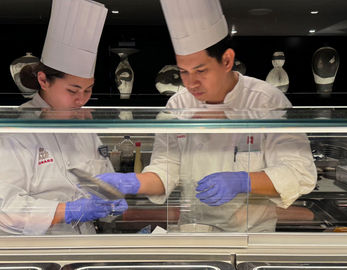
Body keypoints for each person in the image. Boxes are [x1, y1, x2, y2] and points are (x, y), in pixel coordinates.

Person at [97, 0, 317, 232]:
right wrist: (131, 182)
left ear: (227, 60)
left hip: (250, 237)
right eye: (184, 72)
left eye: (201, 71)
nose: (191, 83)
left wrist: (243, 181)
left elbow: (300, 173)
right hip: (193, 232)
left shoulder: (267, 101)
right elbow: (166, 169)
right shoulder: (178, 104)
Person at [0, 0, 126, 235]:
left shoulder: (83, 126)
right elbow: (3, 210)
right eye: (73, 90)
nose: (82, 100)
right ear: (43, 80)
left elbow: (100, 179)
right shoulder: (9, 132)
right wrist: (68, 210)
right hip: (29, 253)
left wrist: (110, 195)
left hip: (82, 246)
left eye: (88, 90)